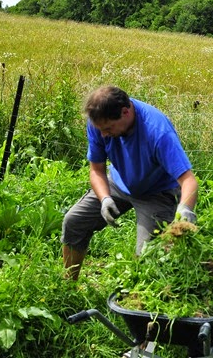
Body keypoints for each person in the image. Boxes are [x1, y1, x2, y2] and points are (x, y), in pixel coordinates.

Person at [61, 85, 198, 280]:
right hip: (118, 184)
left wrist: (185, 210)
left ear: (125, 112)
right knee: (74, 222)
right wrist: (105, 198)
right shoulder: (99, 123)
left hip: (156, 193)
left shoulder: (157, 131)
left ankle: (142, 304)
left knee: (147, 258)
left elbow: (188, 180)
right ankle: (69, 285)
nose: (104, 135)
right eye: (101, 129)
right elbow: (96, 170)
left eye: (108, 128)